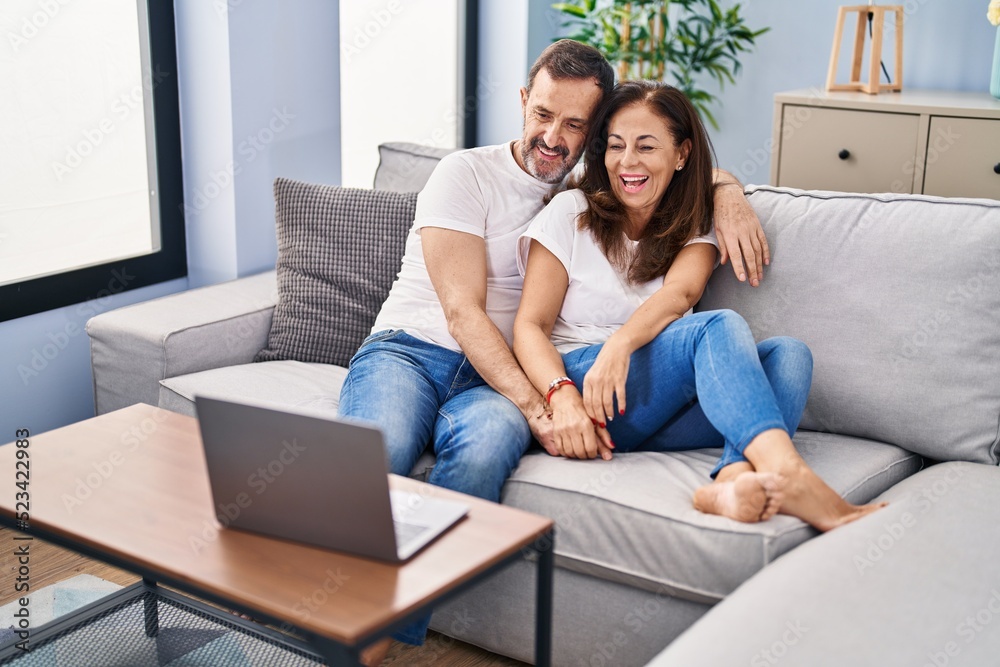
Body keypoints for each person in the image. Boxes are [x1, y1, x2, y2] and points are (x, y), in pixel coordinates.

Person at [338, 41, 768, 661]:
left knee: (483, 454)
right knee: (377, 451)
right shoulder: (466, 173)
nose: (552, 137)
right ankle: (309, 616)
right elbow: (462, 313)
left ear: (593, 133)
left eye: (574, 126)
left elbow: (682, 165)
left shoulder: (586, 192)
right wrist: (544, 403)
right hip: (413, 351)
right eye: (542, 114)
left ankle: (376, 640)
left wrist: (728, 192)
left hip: (493, 380)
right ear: (523, 101)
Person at [513, 80, 886, 531]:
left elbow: (681, 295)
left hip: (652, 406)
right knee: (717, 326)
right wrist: (564, 391)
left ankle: (730, 482)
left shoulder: (693, 220)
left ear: (682, 154)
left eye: (646, 147)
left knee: (789, 355)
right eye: (616, 146)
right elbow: (529, 326)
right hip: (586, 386)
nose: (627, 162)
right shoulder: (570, 212)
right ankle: (789, 475)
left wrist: (622, 345)